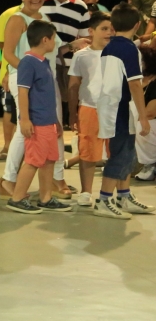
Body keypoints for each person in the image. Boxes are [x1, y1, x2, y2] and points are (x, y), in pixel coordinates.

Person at [0, 0, 68, 200]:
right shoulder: (18, 19)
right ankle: (8, 180)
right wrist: (28, 73)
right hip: (26, 82)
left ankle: (52, 180)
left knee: (50, 129)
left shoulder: (44, 19)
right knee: (24, 128)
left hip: (45, 81)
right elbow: (8, 53)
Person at [95, 3, 155, 219]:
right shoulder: (129, 49)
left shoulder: (110, 46)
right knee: (121, 154)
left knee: (127, 152)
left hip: (112, 107)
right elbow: (134, 85)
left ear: (112, 25)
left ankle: (123, 196)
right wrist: (143, 117)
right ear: (138, 25)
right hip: (120, 109)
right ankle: (103, 200)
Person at [5, 20, 70, 213]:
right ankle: (17, 198)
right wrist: (24, 119)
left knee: (49, 160)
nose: (55, 43)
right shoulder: (28, 63)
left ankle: (46, 197)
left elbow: (47, 96)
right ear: (45, 40)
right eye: (53, 39)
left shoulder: (44, 62)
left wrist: (56, 120)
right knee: (33, 160)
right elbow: (23, 92)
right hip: (37, 122)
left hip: (48, 121)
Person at [68, 13, 113, 207]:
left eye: (112, 29)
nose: (109, 32)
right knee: (87, 151)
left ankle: (114, 192)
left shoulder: (119, 52)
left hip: (114, 109)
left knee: (116, 152)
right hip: (89, 108)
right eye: (104, 29)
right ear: (91, 31)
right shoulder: (81, 56)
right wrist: (72, 113)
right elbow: (73, 86)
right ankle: (86, 192)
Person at [41, 0, 91, 127]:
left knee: (66, 117)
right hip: (41, 66)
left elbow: (86, 41)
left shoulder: (81, 6)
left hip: (67, 70)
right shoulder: (37, 0)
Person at [134, 46, 156, 181]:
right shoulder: (136, 80)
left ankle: (151, 163)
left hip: (152, 122)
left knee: (141, 126)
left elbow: (151, 113)